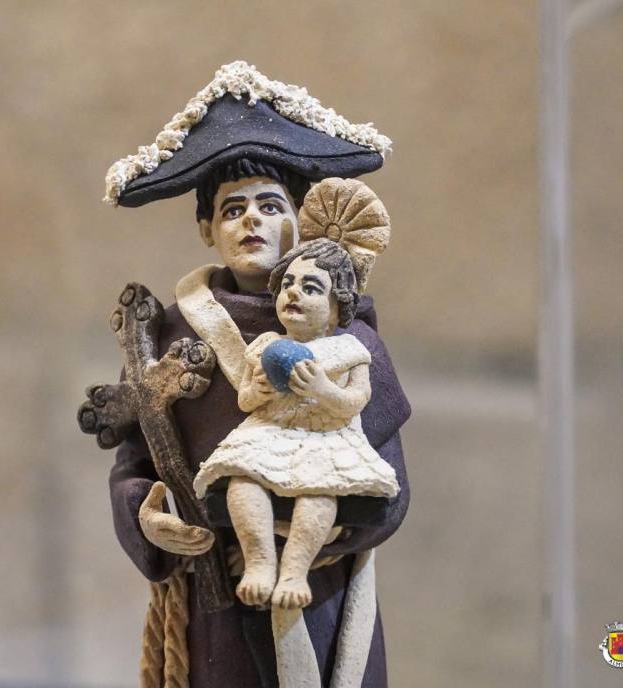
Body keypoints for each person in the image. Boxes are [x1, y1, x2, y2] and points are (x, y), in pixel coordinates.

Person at [104, 62, 410, 687]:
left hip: (322, 595)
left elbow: (392, 483)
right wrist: (150, 521)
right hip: (213, 604)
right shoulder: (168, 336)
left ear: (299, 219)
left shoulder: (350, 340)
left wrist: (329, 527)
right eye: (232, 209)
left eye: (270, 205)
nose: (252, 221)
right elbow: (134, 465)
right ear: (206, 229)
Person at [193, 239, 399, 612]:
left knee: (318, 494)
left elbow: (356, 401)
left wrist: (323, 390)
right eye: (287, 283)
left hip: (325, 437)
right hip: (269, 433)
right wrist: (257, 390)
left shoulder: (348, 350)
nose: (293, 293)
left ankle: (294, 571)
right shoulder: (267, 346)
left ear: (337, 308)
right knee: (243, 483)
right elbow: (245, 400)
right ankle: (259, 561)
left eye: (311, 288)